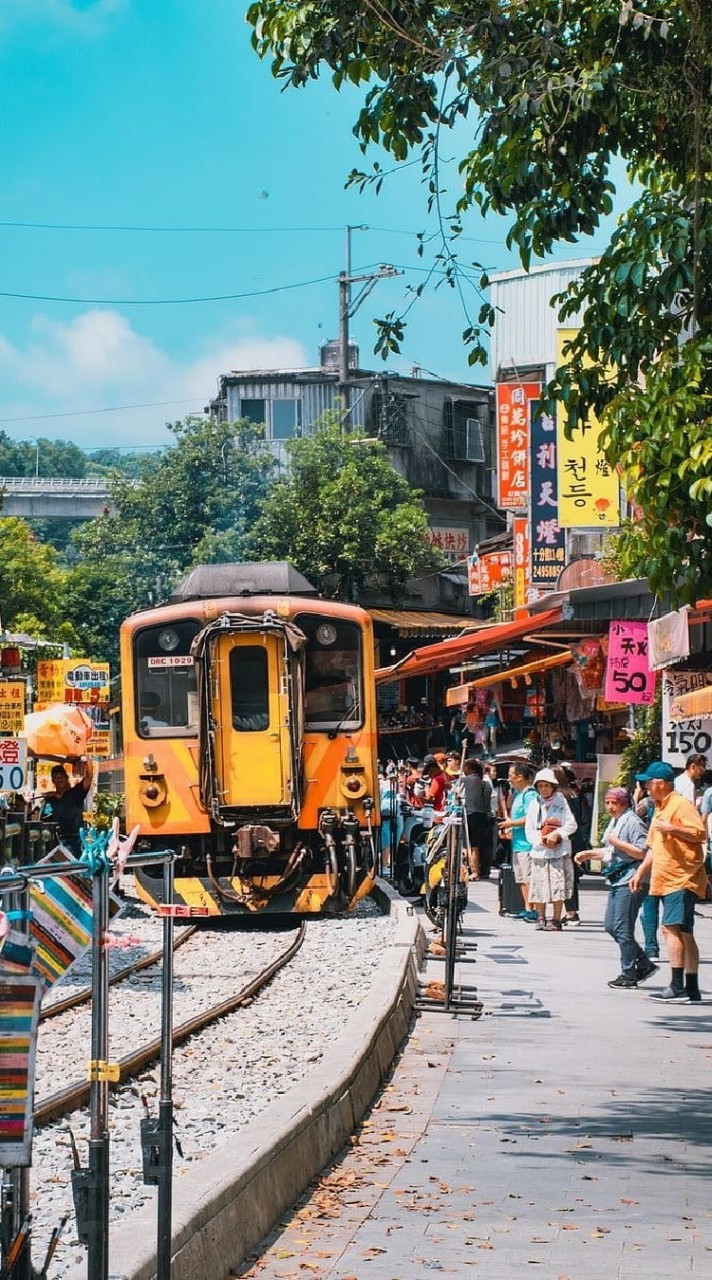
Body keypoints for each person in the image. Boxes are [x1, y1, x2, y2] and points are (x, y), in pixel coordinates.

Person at [629, 760, 707, 1002]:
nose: (645, 788)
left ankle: (677, 986)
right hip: (666, 878)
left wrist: (672, 828)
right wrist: (640, 872)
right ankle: (691, 987)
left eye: (647, 783)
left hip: (681, 878)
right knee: (684, 932)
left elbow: (699, 833)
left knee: (669, 929)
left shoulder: (680, 805)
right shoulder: (660, 807)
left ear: (659, 783)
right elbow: (653, 846)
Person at [575, 786, 656, 988]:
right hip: (617, 878)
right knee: (611, 926)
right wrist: (588, 854)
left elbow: (642, 852)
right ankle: (644, 963)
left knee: (622, 927)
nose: (611, 807)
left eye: (615, 803)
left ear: (624, 803)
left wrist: (617, 842)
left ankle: (628, 973)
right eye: (608, 802)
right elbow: (611, 850)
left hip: (631, 879)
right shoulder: (616, 821)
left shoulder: (633, 822)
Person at [525, 767, 578, 931]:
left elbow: (571, 824)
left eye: (546, 786)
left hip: (558, 850)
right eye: (540, 786)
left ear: (553, 786)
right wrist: (541, 839)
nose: (544, 789)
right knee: (539, 885)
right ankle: (541, 916)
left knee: (558, 885)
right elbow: (529, 829)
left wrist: (557, 835)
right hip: (540, 851)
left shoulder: (562, 801)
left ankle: (556, 919)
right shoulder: (535, 804)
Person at [498, 761, 538, 921]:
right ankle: (526, 907)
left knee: (528, 878)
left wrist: (510, 824)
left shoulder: (530, 795)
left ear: (521, 777)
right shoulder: (519, 794)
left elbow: (530, 817)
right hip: (518, 842)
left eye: (511, 776)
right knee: (521, 878)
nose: (509, 779)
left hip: (527, 844)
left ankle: (532, 909)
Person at [41, 759, 94, 857]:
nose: (59, 780)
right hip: (55, 841)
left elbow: (89, 777)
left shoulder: (76, 793)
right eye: (56, 778)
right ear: (53, 781)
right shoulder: (49, 800)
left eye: (61, 777)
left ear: (66, 778)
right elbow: (44, 820)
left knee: (73, 869)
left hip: (75, 840)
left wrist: (87, 759)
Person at [461, 758, 489, 879]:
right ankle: (478, 870)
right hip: (482, 816)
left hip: (468, 815)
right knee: (478, 845)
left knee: (469, 845)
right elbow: (487, 803)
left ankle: (473, 871)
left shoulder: (463, 781)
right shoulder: (485, 783)